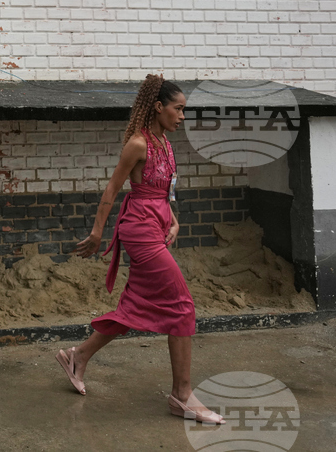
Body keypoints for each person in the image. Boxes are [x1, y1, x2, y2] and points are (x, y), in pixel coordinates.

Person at [59, 75, 226, 425]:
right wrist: (96, 233)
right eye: (178, 109)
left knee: (136, 304)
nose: (182, 116)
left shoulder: (165, 142)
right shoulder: (138, 144)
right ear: (158, 107)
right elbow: (113, 190)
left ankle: (78, 355)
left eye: (184, 110)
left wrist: (174, 220)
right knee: (182, 307)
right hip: (138, 229)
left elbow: (163, 192)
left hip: (158, 223)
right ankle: (181, 396)